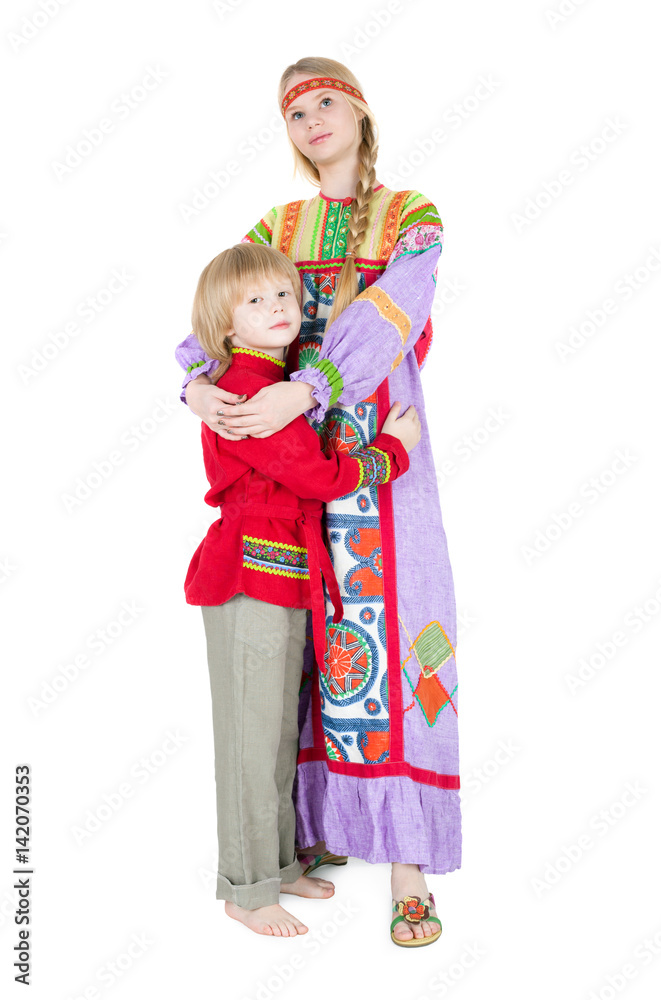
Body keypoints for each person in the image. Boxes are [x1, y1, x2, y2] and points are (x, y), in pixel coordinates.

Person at [176, 56, 459, 947]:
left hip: (375, 444)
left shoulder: (409, 213)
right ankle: (304, 837)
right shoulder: (278, 225)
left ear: (361, 111)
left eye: (326, 103)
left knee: (396, 626)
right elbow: (222, 306)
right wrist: (194, 380)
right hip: (287, 455)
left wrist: (313, 385)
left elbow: (394, 310)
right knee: (298, 649)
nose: (312, 123)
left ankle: (406, 860)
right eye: (295, 114)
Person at [185, 241, 420, 938]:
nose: (277, 308)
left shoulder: (277, 382)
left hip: (285, 577)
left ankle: (281, 864)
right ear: (226, 325)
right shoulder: (246, 390)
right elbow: (317, 478)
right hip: (247, 577)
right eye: (254, 301)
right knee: (250, 741)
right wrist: (392, 451)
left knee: (280, 734)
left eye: (283, 294)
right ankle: (246, 889)